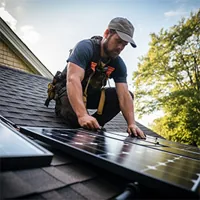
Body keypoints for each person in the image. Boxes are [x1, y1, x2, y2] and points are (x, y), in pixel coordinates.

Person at [55, 17, 146, 139]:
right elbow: (73, 79)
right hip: (67, 92)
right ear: (107, 33)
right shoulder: (85, 47)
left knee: (127, 95)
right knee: (76, 119)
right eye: (118, 41)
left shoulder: (118, 64)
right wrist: (82, 115)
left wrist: (132, 124)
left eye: (124, 45)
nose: (120, 48)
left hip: (90, 96)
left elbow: (124, 96)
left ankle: (94, 126)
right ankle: (84, 120)